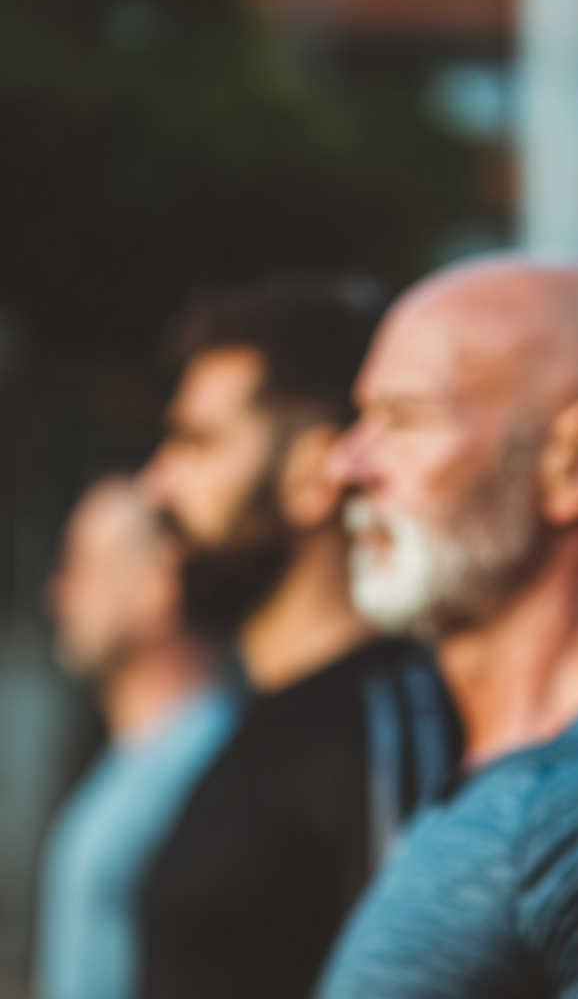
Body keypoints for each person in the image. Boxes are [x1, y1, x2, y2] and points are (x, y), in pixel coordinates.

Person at [314, 255, 578, 999]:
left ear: (573, 462)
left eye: (403, 418)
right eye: (362, 418)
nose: (345, 465)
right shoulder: (525, 778)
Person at [137, 281, 460, 999]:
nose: (157, 485)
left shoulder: (385, 731)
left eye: (197, 441)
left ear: (316, 472)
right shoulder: (256, 716)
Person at [36, 476, 237, 999]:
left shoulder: (211, 771)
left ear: (157, 587)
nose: (55, 594)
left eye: (80, 567)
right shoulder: (135, 762)